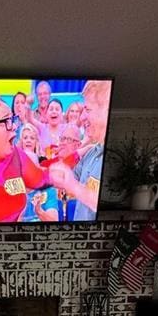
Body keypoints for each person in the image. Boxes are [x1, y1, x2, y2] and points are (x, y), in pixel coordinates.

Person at [49, 80, 112, 221]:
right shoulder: (90, 154)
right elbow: (66, 177)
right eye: (63, 138)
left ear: (106, 111)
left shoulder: (113, 157)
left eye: (88, 110)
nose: (82, 117)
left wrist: (72, 185)